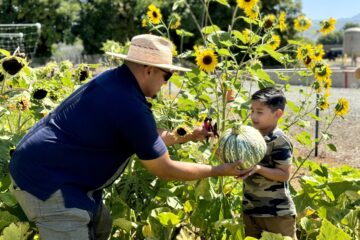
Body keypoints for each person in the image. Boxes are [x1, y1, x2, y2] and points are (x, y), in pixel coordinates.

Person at [9, 34, 247, 240]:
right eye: (168, 76)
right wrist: (218, 170)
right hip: (48, 181)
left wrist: (189, 135)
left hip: (60, 171)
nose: (166, 84)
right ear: (149, 70)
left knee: (101, 226)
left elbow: (144, 137)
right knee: (75, 223)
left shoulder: (114, 81)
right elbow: (164, 169)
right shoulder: (129, 104)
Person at [240, 87, 297, 239]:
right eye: (252, 111)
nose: (253, 116)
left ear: (277, 114)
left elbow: (284, 174)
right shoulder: (250, 137)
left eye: (259, 112)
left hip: (277, 213)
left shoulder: (278, 140)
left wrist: (258, 168)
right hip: (251, 209)